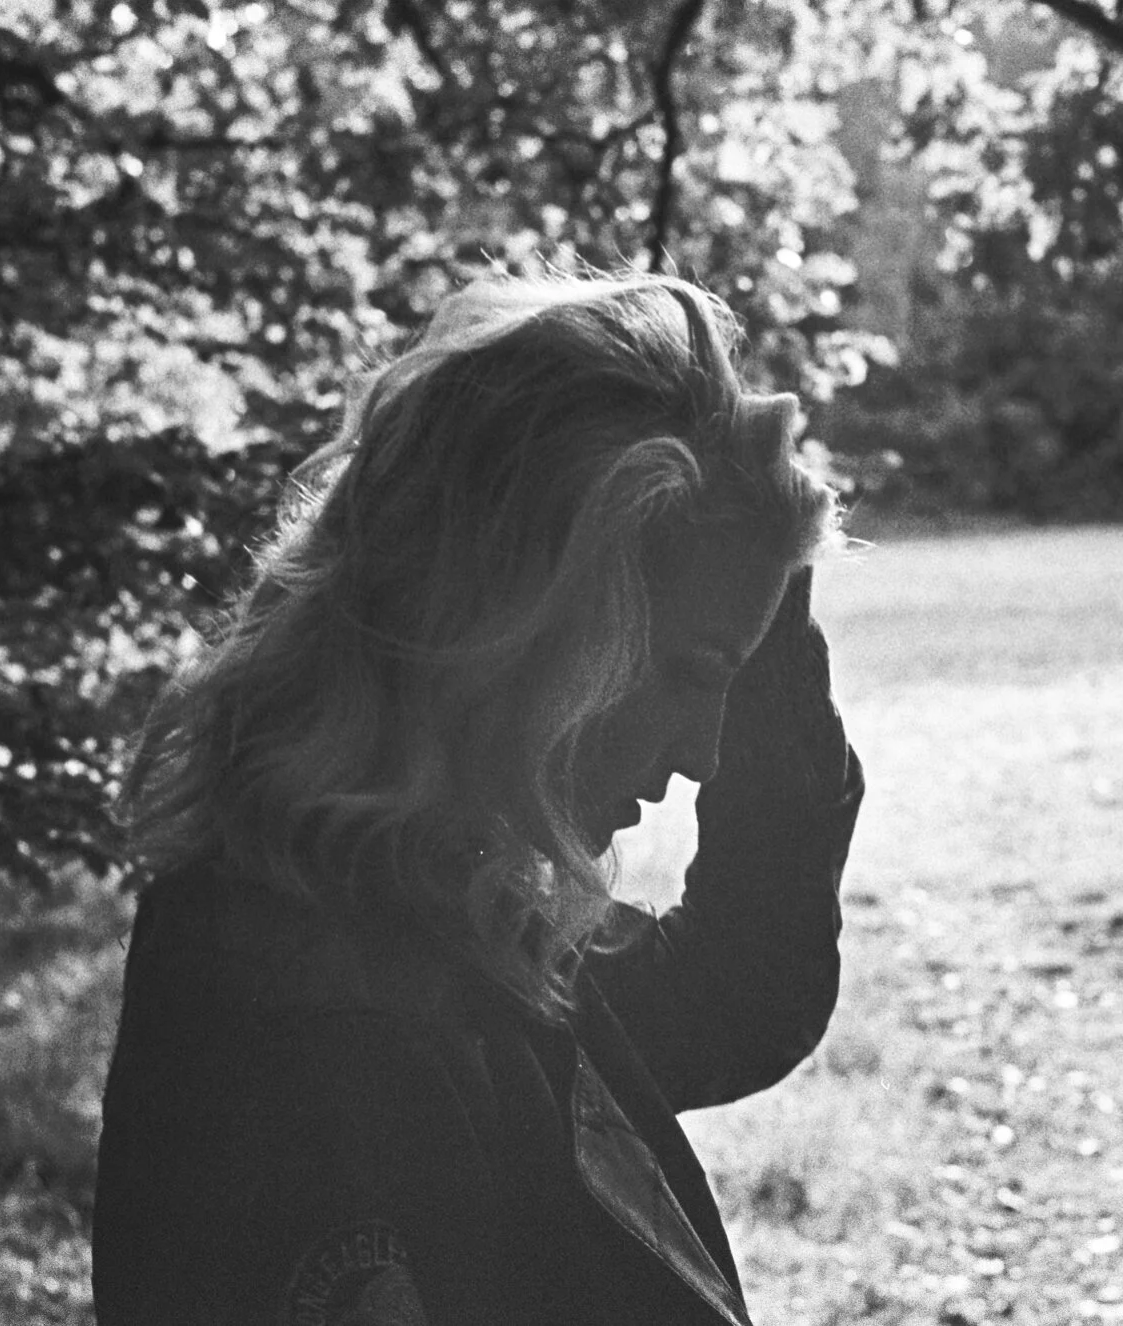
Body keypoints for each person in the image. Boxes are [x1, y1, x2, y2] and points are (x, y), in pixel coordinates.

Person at [93, 271, 866, 1326]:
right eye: (688, 675)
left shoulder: (431, 902)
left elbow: (738, 992)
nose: (704, 756)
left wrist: (759, 583)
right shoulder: (323, 1013)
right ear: (520, 627)